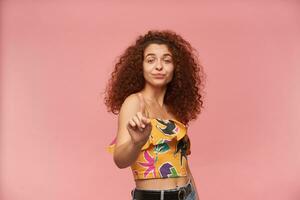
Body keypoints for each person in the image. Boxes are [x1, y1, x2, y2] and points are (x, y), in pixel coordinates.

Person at [103, 29, 205, 200]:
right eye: (151, 60)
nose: (159, 66)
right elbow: (120, 160)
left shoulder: (174, 109)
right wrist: (137, 142)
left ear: (176, 67)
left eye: (167, 60)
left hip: (188, 195)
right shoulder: (135, 102)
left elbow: (183, 164)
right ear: (140, 66)